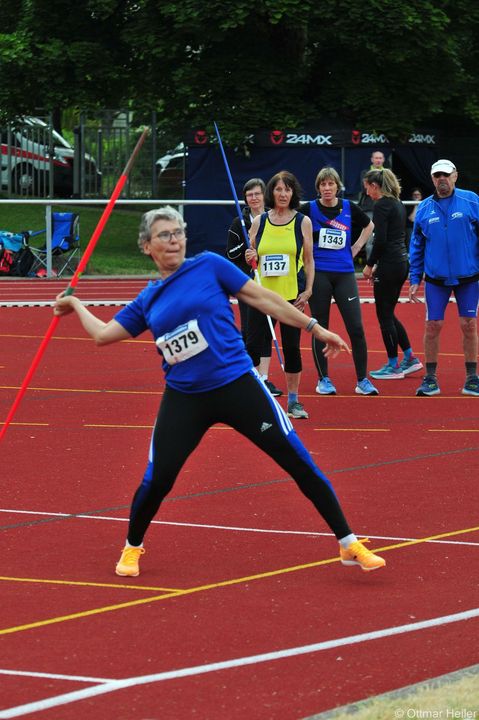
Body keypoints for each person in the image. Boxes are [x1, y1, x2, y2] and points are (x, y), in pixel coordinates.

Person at [53, 206, 386, 577]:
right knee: (158, 478)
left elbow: (264, 299)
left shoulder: (209, 266)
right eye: (164, 235)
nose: (174, 240)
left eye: (178, 232)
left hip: (238, 385)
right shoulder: (148, 300)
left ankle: (348, 542)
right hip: (186, 397)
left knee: (297, 460)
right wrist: (76, 304)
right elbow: (103, 335)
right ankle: (132, 547)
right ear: (146, 246)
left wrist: (314, 327)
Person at [302, 166, 379, 396]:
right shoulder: (309, 209)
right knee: (320, 327)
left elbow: (370, 225)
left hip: (344, 273)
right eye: (323, 184)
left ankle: (362, 380)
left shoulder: (348, 207)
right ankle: (323, 379)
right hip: (319, 274)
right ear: (318, 188)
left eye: (331, 184)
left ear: (337, 186)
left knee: (356, 328)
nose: (327, 188)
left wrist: (356, 247)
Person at [245, 171, 314, 419]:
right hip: (262, 296)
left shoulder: (302, 222)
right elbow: (253, 256)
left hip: (290, 297)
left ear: (293, 193)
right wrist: (251, 256)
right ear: (271, 192)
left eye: (287, 189)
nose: (283, 194)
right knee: (253, 346)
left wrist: (308, 290)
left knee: (292, 348)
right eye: (278, 189)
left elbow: (309, 260)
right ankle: (254, 398)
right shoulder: (259, 222)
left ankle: (293, 401)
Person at [409, 159, 479, 397]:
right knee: (433, 326)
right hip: (436, 279)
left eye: (446, 175)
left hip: (468, 276)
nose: (442, 179)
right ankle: (430, 379)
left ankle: (472, 378)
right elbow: (417, 245)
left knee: (469, 325)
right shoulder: (424, 208)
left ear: (455, 176)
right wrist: (415, 278)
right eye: (437, 175)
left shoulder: (472, 201)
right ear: (432, 179)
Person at [362, 168, 423, 379]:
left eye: (367, 188)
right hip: (400, 262)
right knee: (389, 312)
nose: (367, 193)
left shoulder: (381, 205)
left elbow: (380, 240)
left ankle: (393, 365)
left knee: (384, 315)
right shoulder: (397, 203)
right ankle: (410, 357)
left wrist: (370, 264)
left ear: (375, 186)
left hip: (390, 264)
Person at [226, 178, 282, 397]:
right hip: (247, 284)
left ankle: (264, 378)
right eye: (249, 195)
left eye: (257, 194)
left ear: (264, 195)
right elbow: (231, 254)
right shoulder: (238, 223)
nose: (254, 198)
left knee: (267, 329)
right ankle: (248, 376)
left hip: (270, 281)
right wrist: (247, 245)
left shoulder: (273, 218)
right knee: (250, 331)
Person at [358, 150, 386, 259]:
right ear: (372, 159)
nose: (378, 160)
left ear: (383, 160)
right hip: (369, 209)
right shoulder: (365, 173)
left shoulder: (388, 173)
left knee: (383, 237)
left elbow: (390, 189)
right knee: (369, 239)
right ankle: (370, 265)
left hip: (385, 208)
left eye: (380, 158)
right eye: (376, 158)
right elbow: (364, 189)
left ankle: (381, 264)